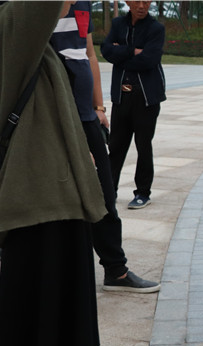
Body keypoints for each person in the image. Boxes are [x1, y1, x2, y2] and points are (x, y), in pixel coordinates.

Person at [0, 1, 107, 346]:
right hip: (40, 187)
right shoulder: (9, 21)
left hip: (44, 181)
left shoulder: (2, 23)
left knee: (44, 281)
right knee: (48, 283)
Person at [51, 1, 160, 293]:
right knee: (62, 196)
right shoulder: (41, 7)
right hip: (54, 116)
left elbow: (89, 55)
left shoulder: (83, 5)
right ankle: (59, 272)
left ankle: (116, 270)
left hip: (87, 116)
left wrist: (98, 106)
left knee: (105, 192)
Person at [101, 0, 166, 209]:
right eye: (137, 1)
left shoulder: (156, 28)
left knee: (143, 146)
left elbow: (150, 59)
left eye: (146, 1)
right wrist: (133, 51)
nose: (141, 5)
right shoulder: (118, 24)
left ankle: (143, 193)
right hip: (122, 96)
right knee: (116, 145)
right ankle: (109, 191)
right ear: (128, 2)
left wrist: (120, 54)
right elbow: (105, 49)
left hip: (147, 98)